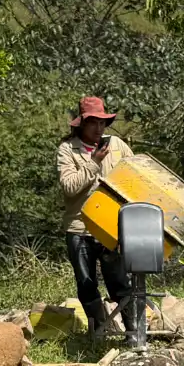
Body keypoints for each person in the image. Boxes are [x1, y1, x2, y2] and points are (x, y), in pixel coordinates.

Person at [57, 96, 132, 336]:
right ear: (81, 124)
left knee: (120, 283)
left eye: (102, 123)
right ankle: (97, 331)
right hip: (80, 228)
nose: (99, 128)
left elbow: (135, 176)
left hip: (112, 227)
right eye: (93, 123)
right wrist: (93, 163)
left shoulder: (118, 146)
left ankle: (133, 333)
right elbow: (69, 186)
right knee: (87, 284)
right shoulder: (67, 149)